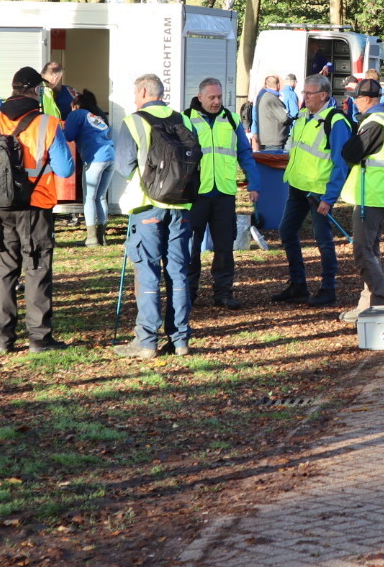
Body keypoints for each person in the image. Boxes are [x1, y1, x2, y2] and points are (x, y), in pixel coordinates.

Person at [0, 66, 74, 353]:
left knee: (4, 272)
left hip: (2, 207)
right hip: (36, 207)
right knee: (36, 270)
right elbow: (65, 168)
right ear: (37, 91)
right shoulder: (47, 123)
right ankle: (39, 338)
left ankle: (2, 339)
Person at [111, 74, 196, 358]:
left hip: (147, 205)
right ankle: (180, 339)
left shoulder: (134, 121)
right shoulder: (183, 120)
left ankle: (146, 341)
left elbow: (124, 167)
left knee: (147, 271)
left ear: (145, 92)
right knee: (177, 271)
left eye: (136, 94)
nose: (134, 100)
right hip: (181, 205)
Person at [273, 74, 352, 307]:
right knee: (286, 231)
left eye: (309, 94)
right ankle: (298, 285)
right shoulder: (304, 116)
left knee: (323, 241)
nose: (304, 97)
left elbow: (341, 163)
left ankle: (329, 288)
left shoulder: (336, 122)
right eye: (304, 93)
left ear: (323, 95)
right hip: (298, 187)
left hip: (319, 192)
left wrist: (329, 197)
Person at [187, 77, 259, 310]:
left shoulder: (231, 119)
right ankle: (188, 293)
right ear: (200, 98)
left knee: (224, 247)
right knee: (190, 246)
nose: (217, 101)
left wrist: (254, 183)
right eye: (212, 98)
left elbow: (245, 154)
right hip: (196, 194)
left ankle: (224, 292)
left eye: (219, 97)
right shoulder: (186, 119)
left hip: (224, 193)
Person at [337, 79, 384, 322]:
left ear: (365, 99)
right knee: (370, 252)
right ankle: (367, 306)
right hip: (377, 194)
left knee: (363, 252)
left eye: (355, 98)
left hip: (370, 196)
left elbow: (349, 152)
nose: (353, 102)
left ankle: (380, 305)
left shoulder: (374, 122)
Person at [64, 90, 115, 246]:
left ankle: (92, 238)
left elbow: (68, 136)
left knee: (89, 198)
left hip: (95, 159)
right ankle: (102, 237)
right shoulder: (96, 116)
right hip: (110, 156)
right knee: (100, 197)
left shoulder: (77, 114)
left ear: (76, 105)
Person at [250, 74, 291, 151]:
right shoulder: (272, 98)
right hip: (274, 140)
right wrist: (290, 118)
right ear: (278, 84)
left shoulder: (262, 96)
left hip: (265, 138)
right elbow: (284, 118)